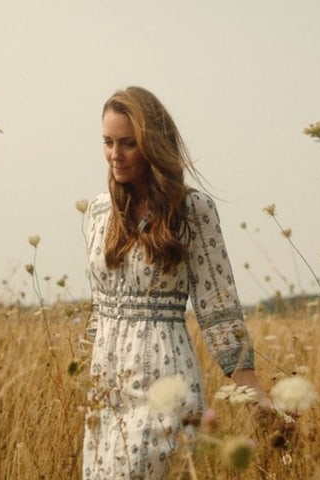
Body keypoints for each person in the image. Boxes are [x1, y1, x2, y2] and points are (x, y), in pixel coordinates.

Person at [82, 86, 269, 479]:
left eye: (129, 143)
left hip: (164, 382)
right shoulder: (99, 211)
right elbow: (98, 309)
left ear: (153, 145)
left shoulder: (193, 211)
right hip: (105, 391)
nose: (116, 154)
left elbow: (217, 305)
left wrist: (252, 390)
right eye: (108, 142)